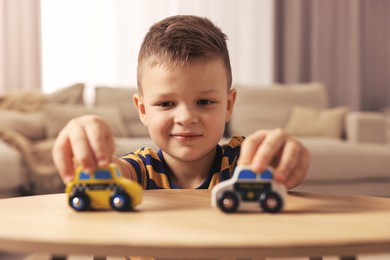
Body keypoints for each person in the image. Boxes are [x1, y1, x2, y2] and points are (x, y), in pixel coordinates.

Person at [52, 15, 310, 190]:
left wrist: (287, 156)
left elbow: (277, 167)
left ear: (229, 105)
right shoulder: (140, 170)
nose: (185, 117)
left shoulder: (243, 162)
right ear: (142, 110)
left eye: (205, 101)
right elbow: (110, 172)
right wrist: (85, 153)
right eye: (166, 104)